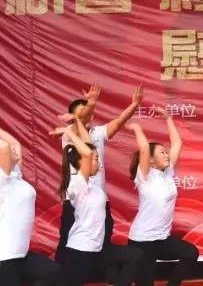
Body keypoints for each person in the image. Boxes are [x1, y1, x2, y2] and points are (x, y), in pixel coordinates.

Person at [56, 84, 144, 265]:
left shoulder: (98, 132)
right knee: (68, 242)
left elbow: (119, 122)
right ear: (72, 118)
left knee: (105, 241)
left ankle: (104, 275)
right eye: (81, 113)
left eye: (88, 111)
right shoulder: (69, 134)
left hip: (98, 198)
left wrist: (134, 105)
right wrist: (91, 103)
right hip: (77, 200)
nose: (87, 114)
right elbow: (83, 126)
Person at [0, 120, 60, 285]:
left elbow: (14, 144)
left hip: (19, 257)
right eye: (8, 151)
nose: (13, 150)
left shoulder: (14, 174)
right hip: (1, 260)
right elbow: (5, 148)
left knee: (51, 271)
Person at [54, 121, 140, 286]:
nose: (99, 163)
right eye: (95, 160)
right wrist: (68, 131)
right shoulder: (78, 184)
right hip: (80, 251)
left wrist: (78, 126)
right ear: (82, 162)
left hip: (98, 250)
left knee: (135, 255)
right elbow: (87, 152)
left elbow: (89, 147)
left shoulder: (93, 182)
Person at [127, 114, 198, 286]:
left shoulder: (167, 172)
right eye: (162, 153)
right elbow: (144, 149)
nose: (166, 155)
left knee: (190, 253)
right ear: (151, 160)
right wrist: (137, 129)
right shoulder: (144, 176)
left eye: (166, 152)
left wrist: (168, 119)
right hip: (143, 241)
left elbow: (177, 143)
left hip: (162, 238)